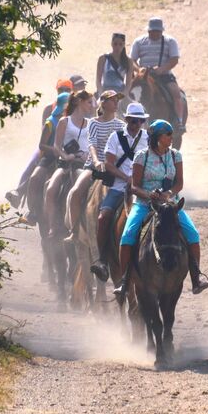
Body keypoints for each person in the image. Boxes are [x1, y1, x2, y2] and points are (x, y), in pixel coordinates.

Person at [113, 119, 208, 296]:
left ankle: (196, 277)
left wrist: (169, 193)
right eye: (168, 134)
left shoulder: (175, 155)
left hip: (170, 205)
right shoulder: (142, 156)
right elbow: (134, 186)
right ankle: (125, 280)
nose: (172, 138)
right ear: (158, 137)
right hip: (144, 204)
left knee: (193, 234)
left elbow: (179, 183)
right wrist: (149, 194)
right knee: (127, 235)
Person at [89, 102, 150, 282]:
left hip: (143, 187)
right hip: (118, 186)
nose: (137, 125)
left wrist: (140, 179)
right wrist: (126, 178)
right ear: (127, 120)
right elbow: (108, 164)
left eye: (140, 121)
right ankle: (102, 260)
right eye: (133, 121)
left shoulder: (148, 137)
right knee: (104, 216)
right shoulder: (115, 137)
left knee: (167, 213)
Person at [64, 90, 126, 243]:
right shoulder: (93, 122)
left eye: (117, 100)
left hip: (114, 167)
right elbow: (92, 143)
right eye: (113, 100)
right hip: (94, 166)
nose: (116, 103)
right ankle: (75, 231)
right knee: (75, 192)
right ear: (103, 103)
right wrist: (97, 161)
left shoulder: (121, 125)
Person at [6, 79, 73, 209]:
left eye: (67, 89)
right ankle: (19, 191)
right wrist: (54, 148)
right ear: (57, 90)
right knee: (34, 161)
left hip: (69, 148)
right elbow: (45, 130)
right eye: (61, 89)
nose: (64, 91)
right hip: (50, 145)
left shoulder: (75, 110)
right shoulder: (49, 109)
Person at [43, 90, 95, 237]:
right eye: (89, 102)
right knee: (51, 188)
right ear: (79, 102)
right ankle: (52, 226)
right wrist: (66, 156)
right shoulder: (64, 121)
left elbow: (94, 145)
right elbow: (56, 146)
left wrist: (89, 156)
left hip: (85, 164)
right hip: (66, 164)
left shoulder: (91, 123)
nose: (92, 106)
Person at [21, 91, 72, 225]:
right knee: (35, 178)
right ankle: (32, 212)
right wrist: (55, 150)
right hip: (50, 157)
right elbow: (42, 145)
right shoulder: (50, 122)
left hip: (68, 157)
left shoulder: (73, 121)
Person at [130, 17, 186, 132]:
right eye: (152, 31)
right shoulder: (139, 42)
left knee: (176, 93)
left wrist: (161, 69)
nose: (154, 33)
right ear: (148, 31)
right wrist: (140, 69)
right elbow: (131, 60)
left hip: (164, 75)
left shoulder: (170, 41)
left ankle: (179, 121)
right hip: (143, 76)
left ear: (161, 31)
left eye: (157, 31)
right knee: (130, 92)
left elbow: (174, 59)